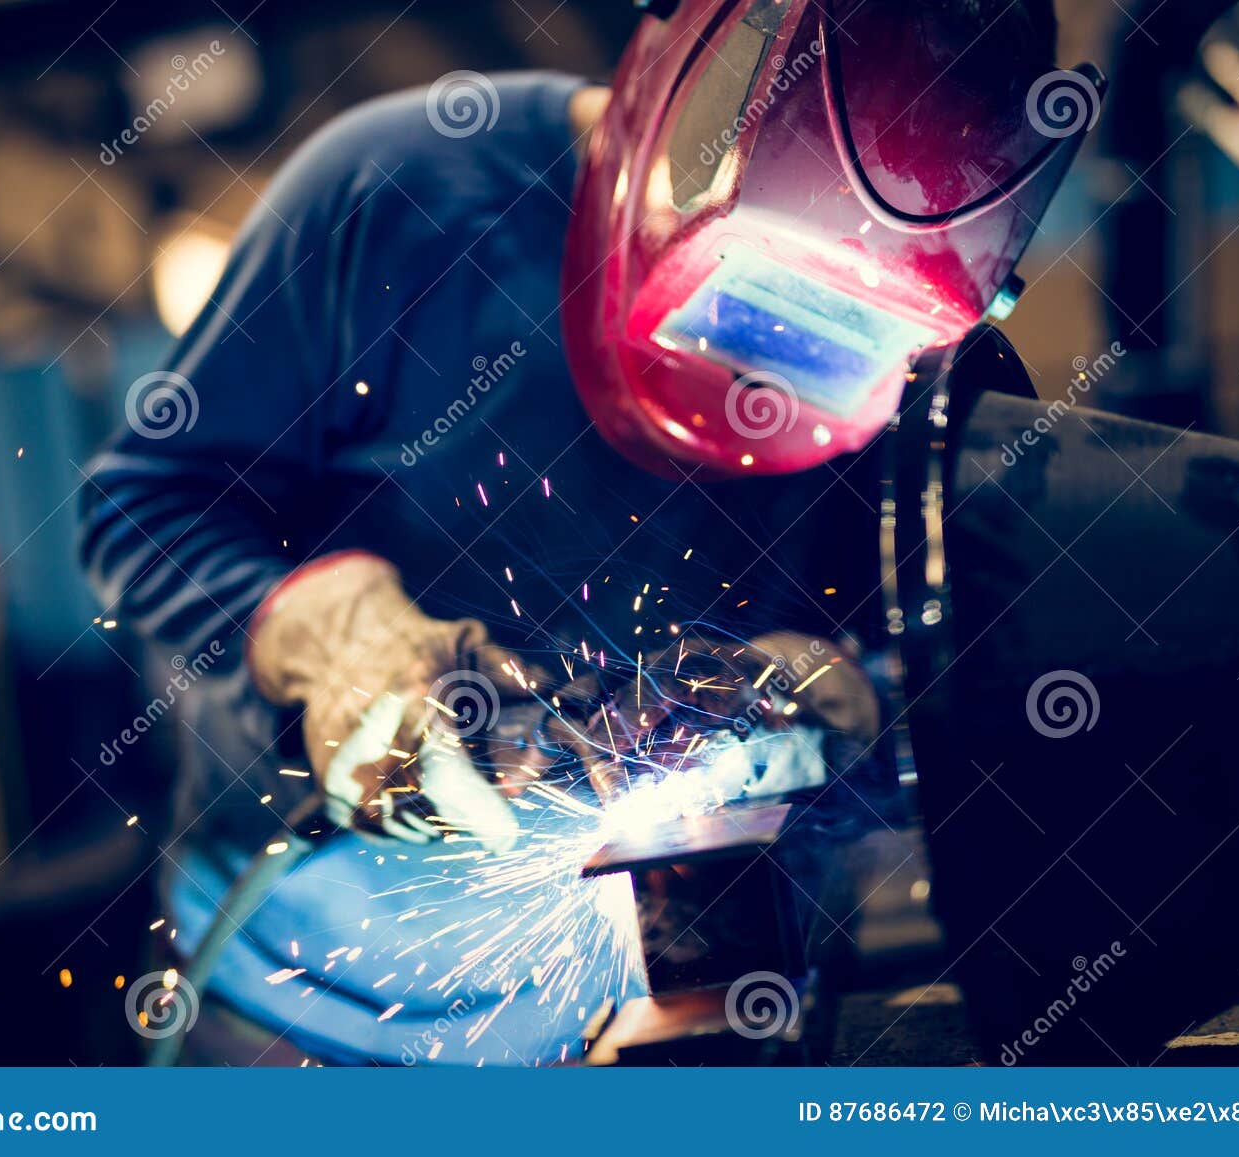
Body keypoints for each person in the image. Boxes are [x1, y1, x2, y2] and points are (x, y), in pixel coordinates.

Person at [78, 0, 1090, 1065]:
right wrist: (327, 635)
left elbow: (939, 632)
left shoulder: (919, 347)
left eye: (845, 335)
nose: (757, 378)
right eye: (751, 299)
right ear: (691, 117)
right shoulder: (396, 186)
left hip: (658, 1018)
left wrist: (850, 689)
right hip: (298, 1014)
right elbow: (140, 502)